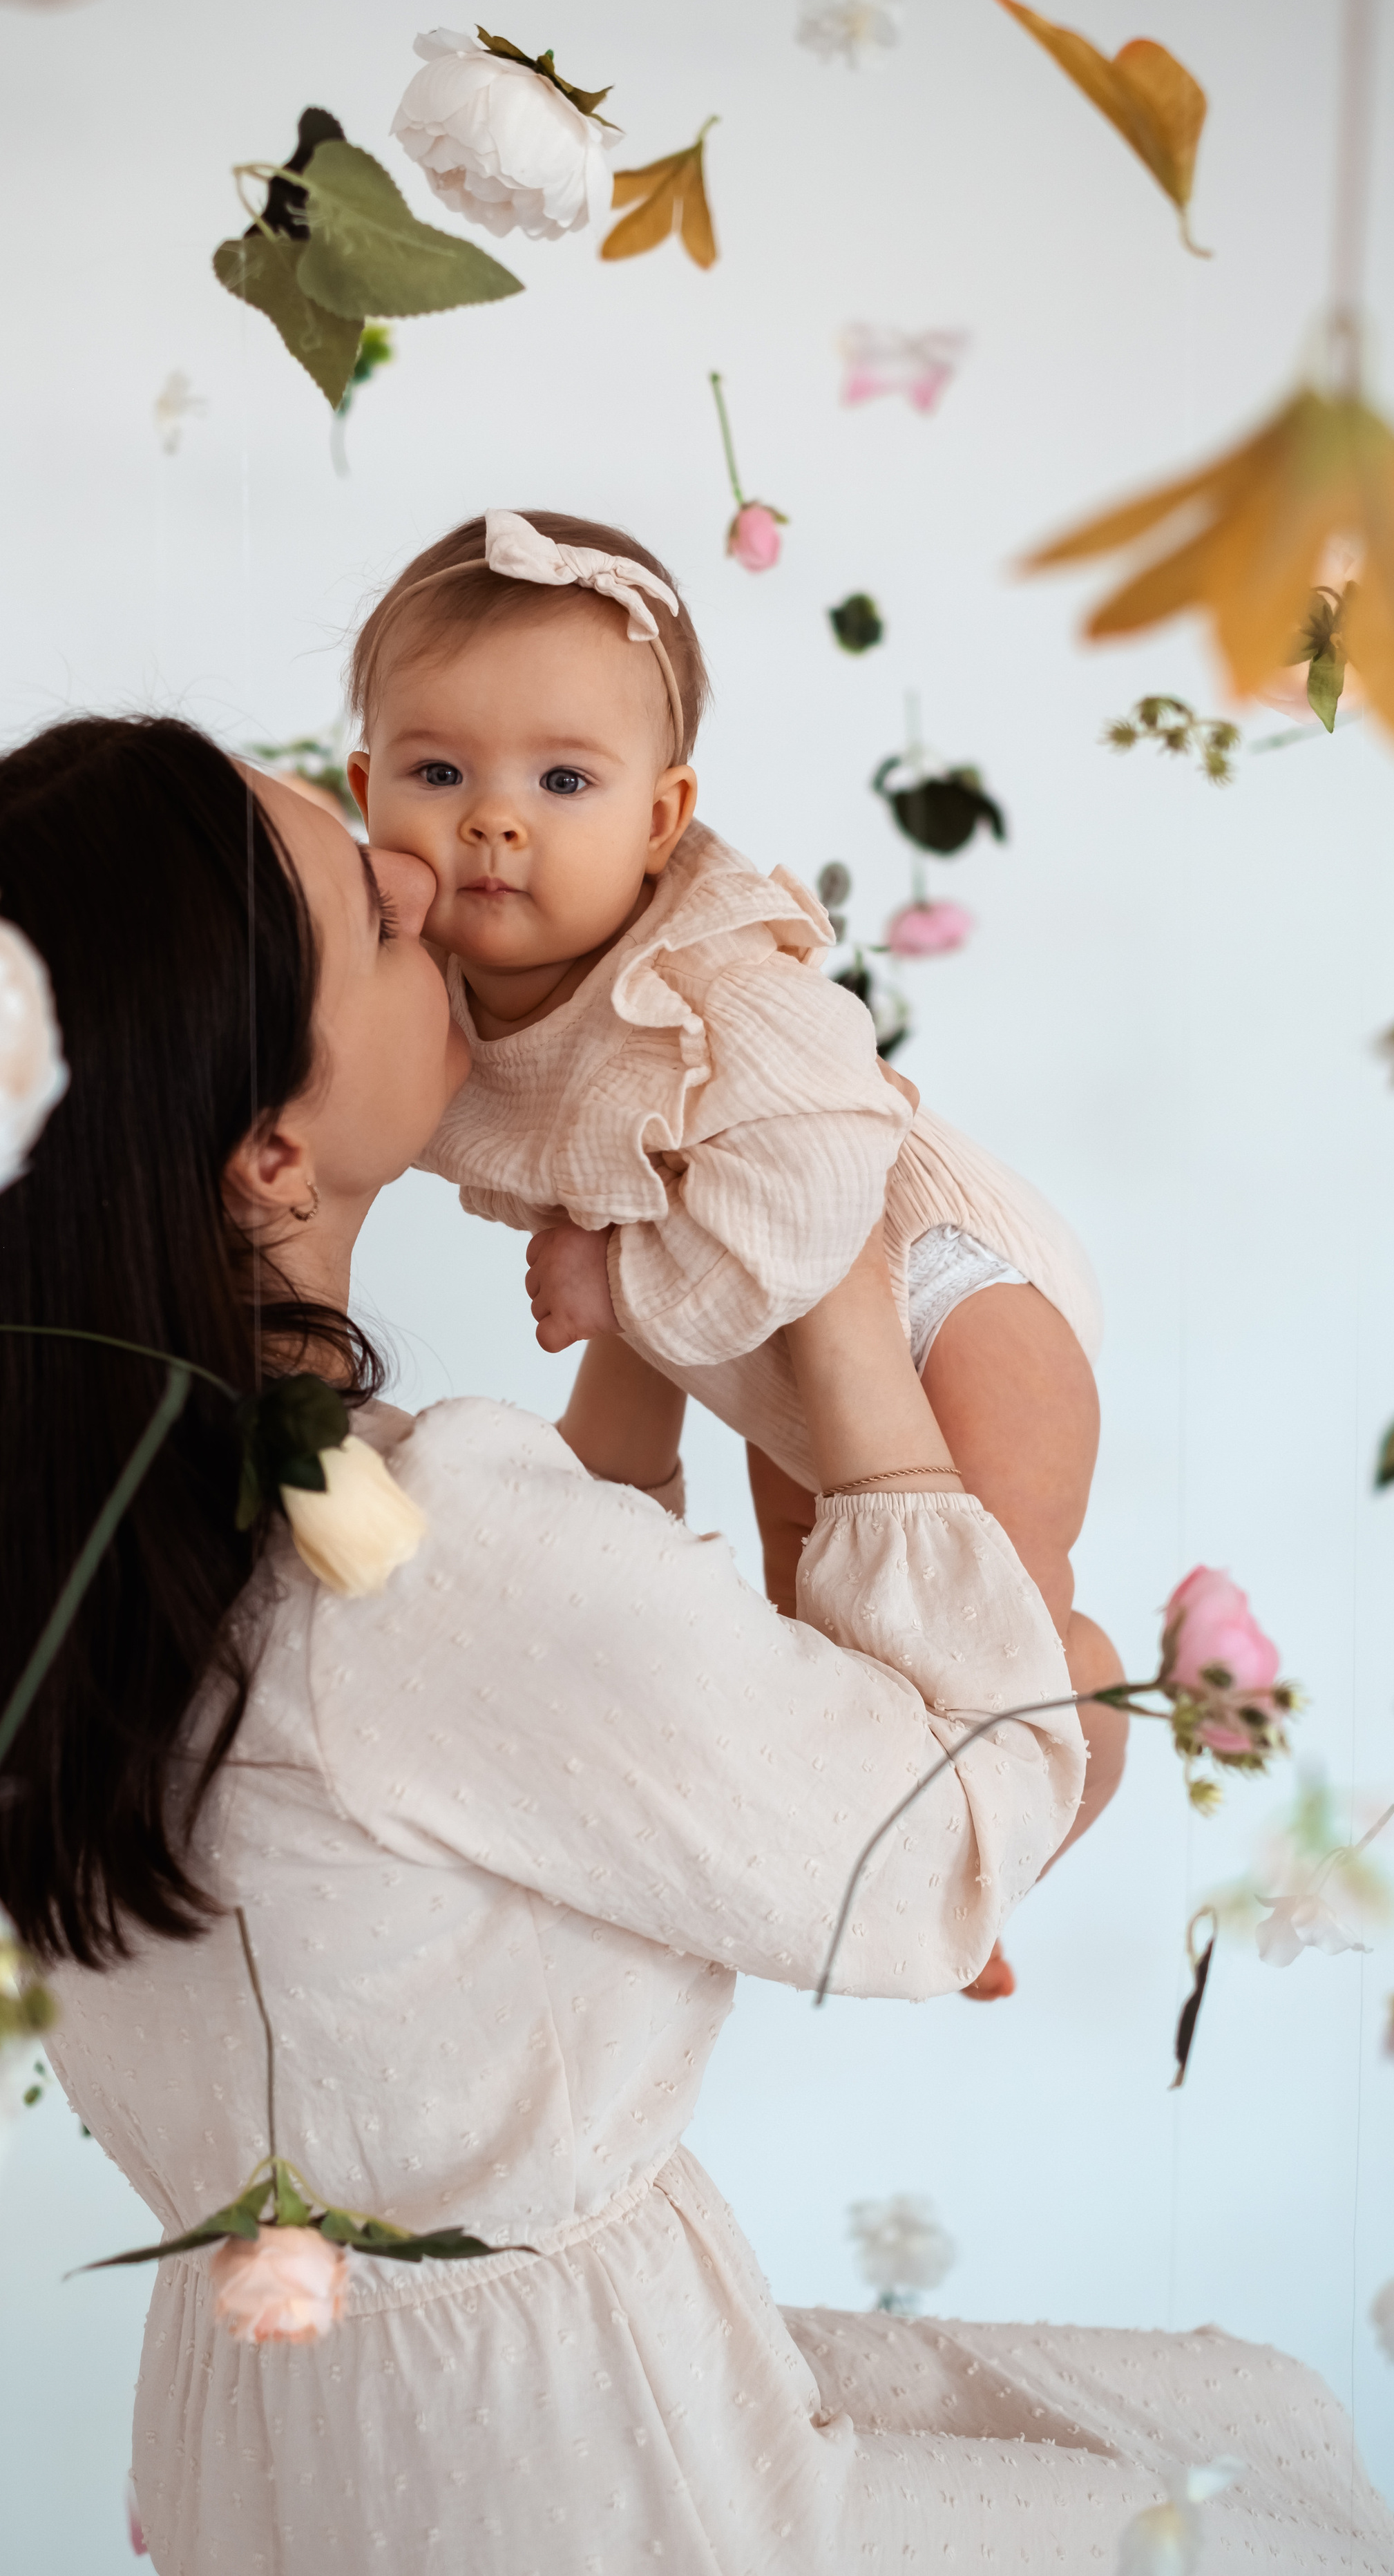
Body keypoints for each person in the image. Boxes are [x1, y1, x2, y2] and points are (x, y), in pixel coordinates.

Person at [0, 718, 1394, 2573]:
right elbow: (925, 1862)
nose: (430, 876)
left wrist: (647, 1271)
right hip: (565, 2470)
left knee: (1262, 2423)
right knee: (1290, 2516)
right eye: (369, 917)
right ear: (269, 1158)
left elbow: (556, 1700)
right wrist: (841, 1306)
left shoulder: (53, 1545)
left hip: (307, 2413)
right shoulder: (402, 1562)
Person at [353, 508, 1127, 1994]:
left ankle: (1044, 1759)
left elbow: (810, 1189)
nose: (492, 821)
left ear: (659, 817)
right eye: (436, 772)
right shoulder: (437, 993)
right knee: (821, 1628)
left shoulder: (715, 976)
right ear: (366, 787)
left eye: (562, 780)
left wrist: (618, 1281)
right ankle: (927, 1849)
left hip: (951, 1290)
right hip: (766, 1347)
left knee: (991, 1607)